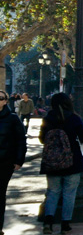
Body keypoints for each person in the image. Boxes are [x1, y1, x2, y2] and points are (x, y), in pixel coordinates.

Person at [40, 93, 83, 234]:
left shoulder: (48, 119)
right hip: (72, 161)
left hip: (51, 162)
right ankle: (65, 224)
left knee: (53, 192)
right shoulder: (74, 118)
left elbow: (42, 139)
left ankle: (48, 223)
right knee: (69, 193)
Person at [0, 90, 26, 235]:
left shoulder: (12, 119)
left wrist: (19, 160)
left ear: (5, 101)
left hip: (4, 162)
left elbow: (21, 141)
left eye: (0, 98)